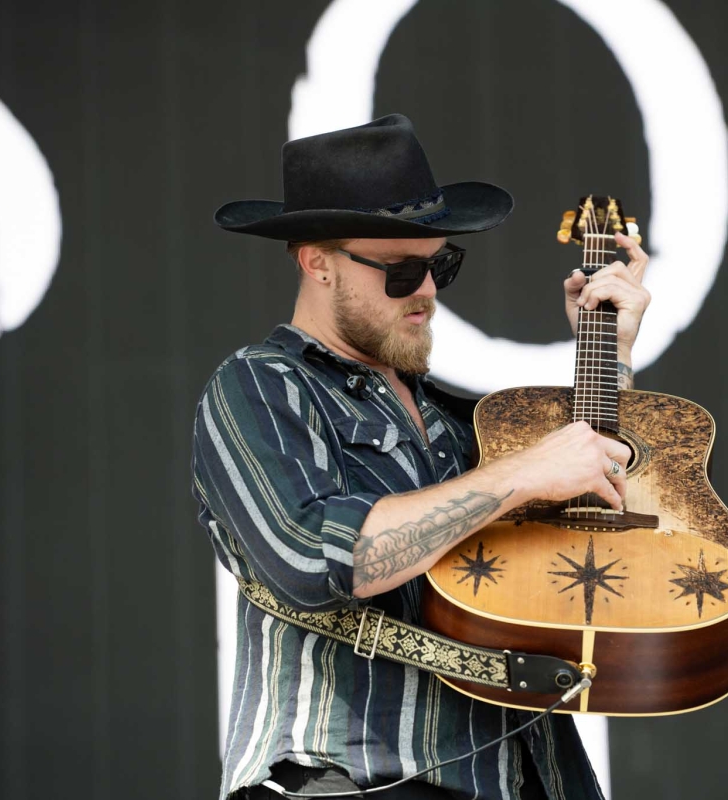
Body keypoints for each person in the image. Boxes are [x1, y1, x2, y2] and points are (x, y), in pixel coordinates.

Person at [193, 114, 650, 800]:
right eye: (402, 271)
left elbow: (587, 539)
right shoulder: (259, 384)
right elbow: (311, 558)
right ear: (317, 261)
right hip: (350, 779)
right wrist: (520, 474)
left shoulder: (466, 423)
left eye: (441, 264)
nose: (429, 293)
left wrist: (608, 350)